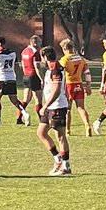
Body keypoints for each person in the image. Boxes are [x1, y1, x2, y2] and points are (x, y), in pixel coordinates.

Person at [36, 45, 72, 175]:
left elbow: (57, 90)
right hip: (50, 106)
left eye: (42, 57)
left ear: (45, 57)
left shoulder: (56, 69)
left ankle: (66, 166)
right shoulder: (50, 69)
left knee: (60, 136)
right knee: (41, 132)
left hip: (56, 106)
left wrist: (45, 106)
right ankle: (57, 159)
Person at [0, 35, 28, 127]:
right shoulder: (13, 53)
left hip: (1, 78)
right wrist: (15, 76)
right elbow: (17, 66)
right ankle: (25, 114)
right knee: (14, 99)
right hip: (11, 78)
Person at [59, 37, 92, 136]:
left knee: (67, 109)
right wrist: (88, 85)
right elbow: (87, 72)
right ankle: (87, 125)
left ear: (64, 48)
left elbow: (60, 72)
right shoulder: (80, 58)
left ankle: (67, 130)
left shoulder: (64, 59)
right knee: (81, 107)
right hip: (79, 84)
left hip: (68, 85)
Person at [19, 35, 43, 123]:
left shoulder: (24, 51)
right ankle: (42, 120)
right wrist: (42, 79)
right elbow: (37, 67)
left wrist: (26, 74)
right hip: (34, 76)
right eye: (40, 42)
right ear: (35, 43)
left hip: (26, 76)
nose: (41, 44)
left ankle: (19, 118)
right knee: (38, 100)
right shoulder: (35, 52)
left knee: (26, 99)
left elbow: (22, 65)